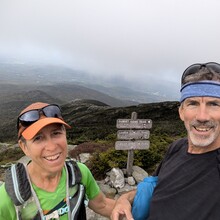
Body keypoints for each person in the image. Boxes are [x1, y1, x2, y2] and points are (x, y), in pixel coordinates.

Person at [111, 62, 220, 220]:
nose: (202, 116)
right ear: (181, 112)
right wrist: (124, 199)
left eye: (214, 104)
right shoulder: (177, 148)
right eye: (193, 104)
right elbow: (158, 187)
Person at [0, 102, 115, 219]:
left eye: (56, 133)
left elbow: (102, 205)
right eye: (38, 138)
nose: (52, 147)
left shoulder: (79, 173)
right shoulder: (7, 198)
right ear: (24, 147)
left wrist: (128, 201)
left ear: (65, 134)